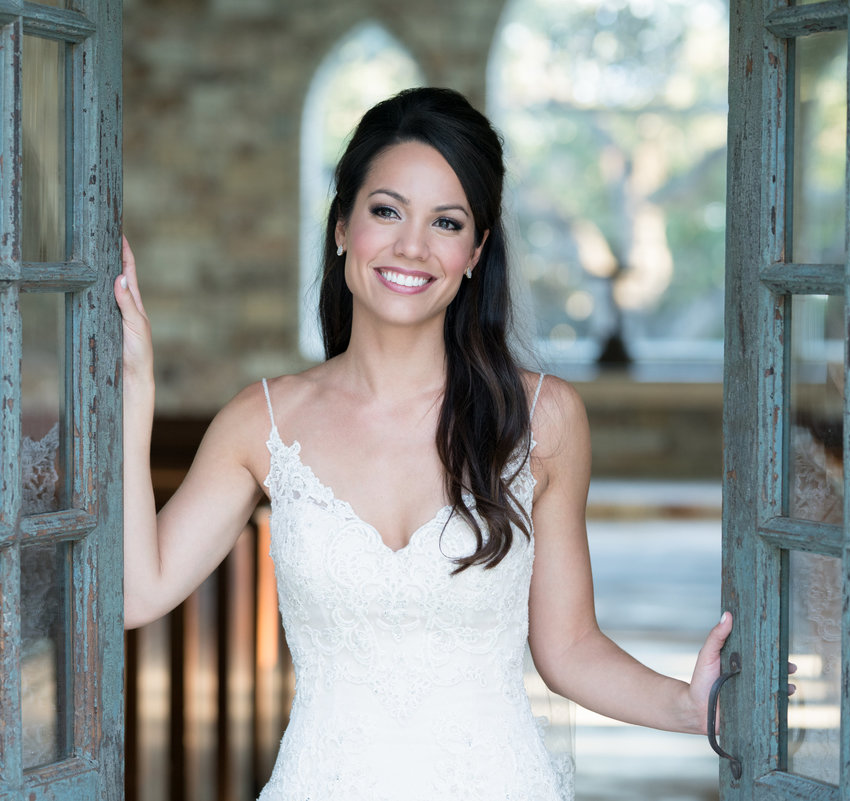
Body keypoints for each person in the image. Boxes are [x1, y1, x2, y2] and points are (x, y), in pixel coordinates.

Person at [116, 87, 732, 800]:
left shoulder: (543, 419)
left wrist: (690, 706)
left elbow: (568, 649)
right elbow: (139, 590)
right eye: (386, 210)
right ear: (342, 224)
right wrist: (135, 390)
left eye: (446, 221)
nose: (412, 246)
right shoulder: (262, 422)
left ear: (476, 251)